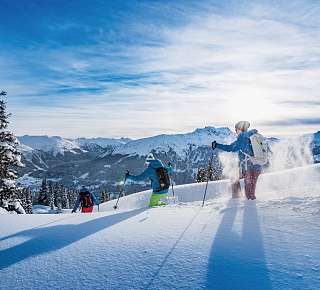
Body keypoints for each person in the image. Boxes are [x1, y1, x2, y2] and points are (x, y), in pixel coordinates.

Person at [212, 121, 262, 200]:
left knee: (249, 188)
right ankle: (252, 203)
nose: (235, 131)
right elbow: (233, 146)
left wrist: (216, 145)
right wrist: (217, 145)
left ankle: (250, 207)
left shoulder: (242, 137)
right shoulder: (252, 136)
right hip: (258, 164)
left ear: (240, 129)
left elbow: (232, 148)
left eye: (236, 129)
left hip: (249, 166)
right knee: (252, 186)